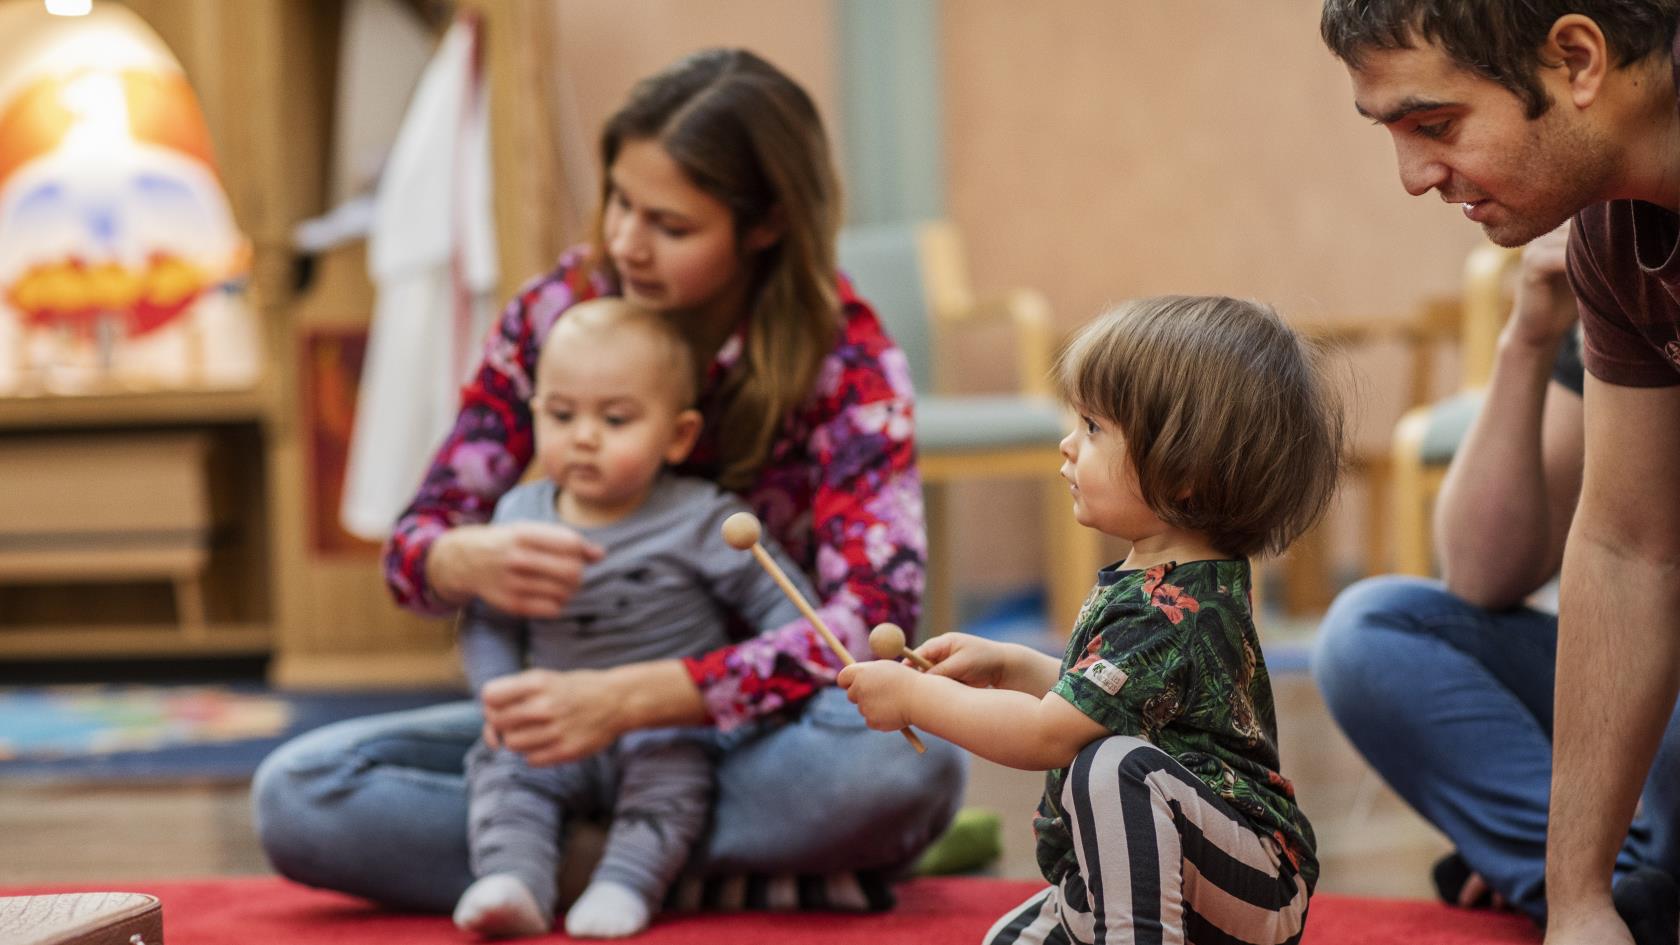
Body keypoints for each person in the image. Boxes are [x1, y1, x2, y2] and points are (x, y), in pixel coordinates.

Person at [251, 47, 964, 917]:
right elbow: (416, 544)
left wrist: (639, 697)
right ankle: (707, 873)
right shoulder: (557, 311)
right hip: (552, 742)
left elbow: (871, 629)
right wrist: (457, 558)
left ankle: (565, 863)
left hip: (747, 736)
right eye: (620, 200)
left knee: (895, 766)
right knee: (297, 793)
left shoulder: (847, 358)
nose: (624, 241)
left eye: (670, 224)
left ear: (767, 222)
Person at [1319, 3, 1680, 942]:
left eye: (1435, 125)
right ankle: (1633, 878)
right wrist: (1578, 901)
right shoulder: (1615, 238)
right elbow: (1625, 546)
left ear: (1576, 59)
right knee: (1375, 629)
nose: (1413, 177)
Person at [839, 296, 1344, 945]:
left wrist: (915, 696)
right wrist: (1014, 665)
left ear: (1184, 471)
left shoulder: (1168, 606)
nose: (1067, 443)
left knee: (1111, 767)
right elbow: (1132, 701)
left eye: (1094, 427)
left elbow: (1051, 735)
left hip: (1252, 875)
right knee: (1011, 936)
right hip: (1193, 864)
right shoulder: (1166, 581)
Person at [452, 299, 821, 938]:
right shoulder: (517, 515)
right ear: (535, 411)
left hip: (666, 727)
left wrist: (738, 712)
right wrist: (497, 697)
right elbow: (488, 622)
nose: (584, 435)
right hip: (550, 728)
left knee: (670, 787)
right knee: (504, 775)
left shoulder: (703, 517)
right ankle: (516, 880)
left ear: (677, 436)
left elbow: (789, 614)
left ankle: (626, 883)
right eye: (562, 415)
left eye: (615, 418)